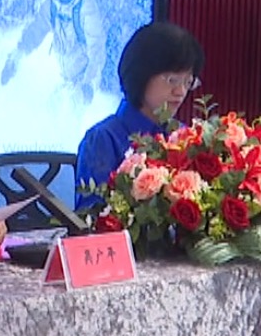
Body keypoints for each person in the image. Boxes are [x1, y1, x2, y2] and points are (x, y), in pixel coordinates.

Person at [74, 21, 204, 210]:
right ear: (142, 74)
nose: (181, 91)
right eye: (172, 80)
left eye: (188, 82)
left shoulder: (184, 136)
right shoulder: (104, 139)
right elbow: (90, 217)